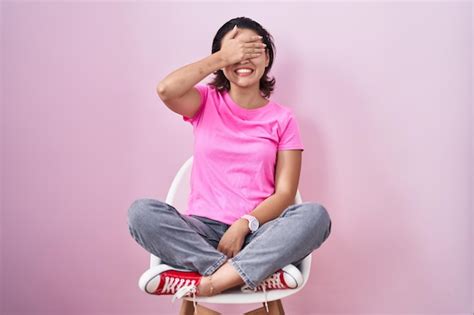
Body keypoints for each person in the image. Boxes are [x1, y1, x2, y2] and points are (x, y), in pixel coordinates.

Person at [127, 16, 332, 312]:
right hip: (200, 232)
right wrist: (223, 56)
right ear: (222, 60)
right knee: (141, 213)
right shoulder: (205, 102)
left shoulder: (282, 119)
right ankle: (248, 274)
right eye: (237, 52)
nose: (243, 59)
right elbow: (166, 90)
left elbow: (285, 193)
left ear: (267, 59)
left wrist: (244, 224)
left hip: (258, 233)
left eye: (252, 51)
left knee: (315, 215)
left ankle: (208, 281)